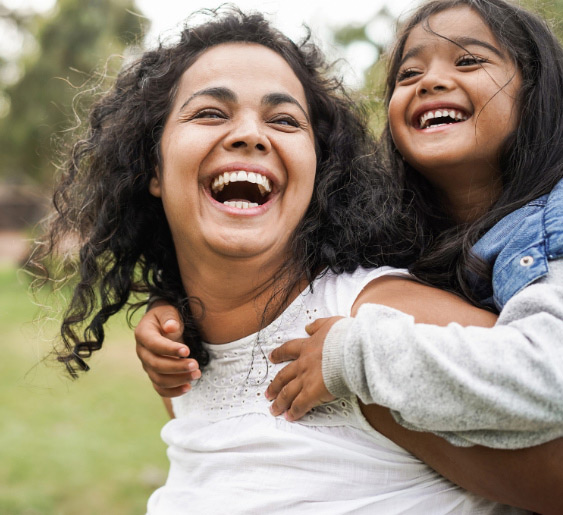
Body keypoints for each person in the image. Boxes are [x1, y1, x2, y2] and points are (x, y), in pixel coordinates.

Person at [34, 7, 536, 513]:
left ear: (317, 172)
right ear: (154, 167)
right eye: (210, 112)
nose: (251, 134)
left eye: (283, 120)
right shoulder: (181, 354)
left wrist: (364, 373)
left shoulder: (378, 329)